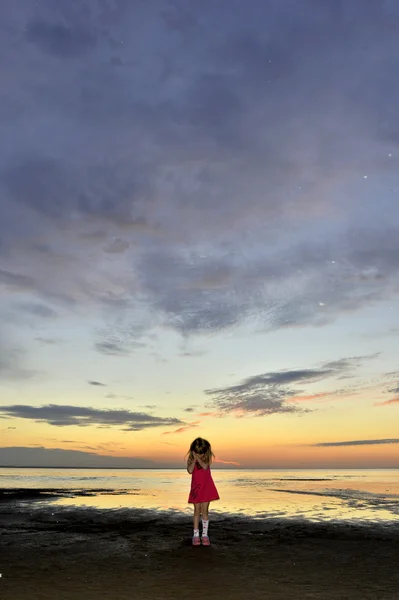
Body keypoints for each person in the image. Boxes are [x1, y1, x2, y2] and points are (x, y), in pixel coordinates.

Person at [186, 437, 219, 546]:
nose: (200, 455)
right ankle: (196, 535)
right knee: (196, 511)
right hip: (196, 488)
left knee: (204, 511)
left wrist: (199, 458)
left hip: (206, 488)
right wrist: (194, 459)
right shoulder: (192, 459)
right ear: (193, 451)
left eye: (201, 453)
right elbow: (190, 470)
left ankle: (204, 535)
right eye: (197, 453)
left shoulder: (207, 458)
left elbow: (205, 467)